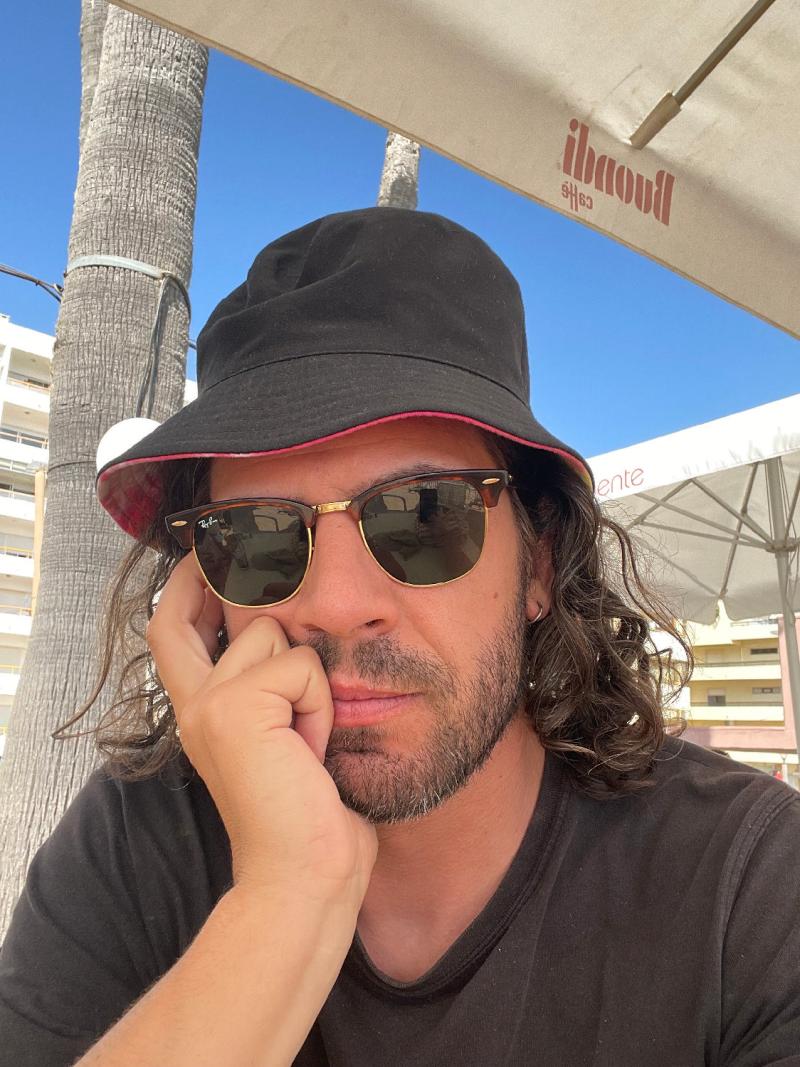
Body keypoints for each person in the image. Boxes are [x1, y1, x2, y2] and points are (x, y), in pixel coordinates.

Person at [1, 208, 798, 1066]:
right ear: (202, 593)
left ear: (538, 565)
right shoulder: (139, 844)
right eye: (257, 535)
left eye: (424, 515)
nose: (338, 605)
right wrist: (289, 896)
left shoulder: (749, 886)